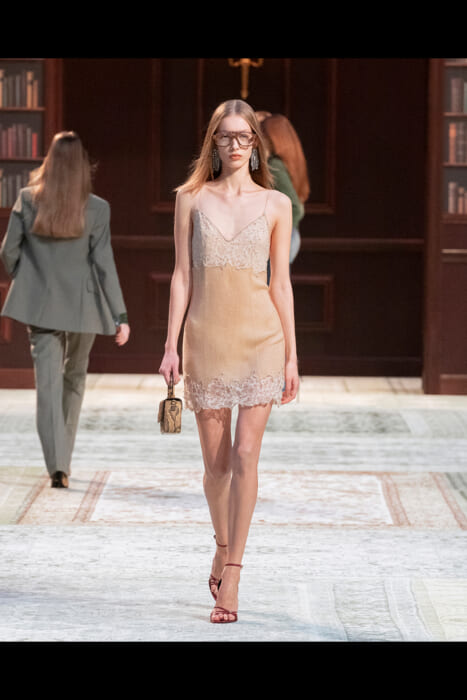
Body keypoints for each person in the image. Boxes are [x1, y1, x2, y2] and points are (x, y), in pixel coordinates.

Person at [158, 99, 299, 624]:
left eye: (244, 137)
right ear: (212, 141)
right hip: (207, 340)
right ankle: (221, 544)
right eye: (226, 136)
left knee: (244, 457)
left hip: (262, 339)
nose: (235, 145)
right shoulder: (190, 199)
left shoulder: (277, 204)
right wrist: (171, 345)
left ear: (256, 143)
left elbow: (281, 285)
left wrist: (292, 355)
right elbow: (181, 276)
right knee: (216, 468)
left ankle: (234, 571)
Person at [0, 131, 130, 488]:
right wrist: (120, 316)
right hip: (84, 307)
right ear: (83, 165)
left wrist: (27, 279)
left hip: (40, 305)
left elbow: (8, 251)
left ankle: (57, 465)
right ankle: (64, 462)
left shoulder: (28, 199)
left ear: (50, 162)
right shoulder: (97, 208)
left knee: (48, 385)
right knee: (75, 377)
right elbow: (104, 264)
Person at [259, 113, 310, 274]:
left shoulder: (275, 165)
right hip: (290, 236)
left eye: (262, 135)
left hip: (284, 238)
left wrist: (277, 234)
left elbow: (296, 208)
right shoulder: (288, 161)